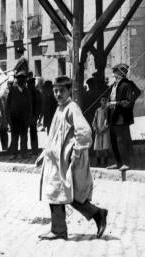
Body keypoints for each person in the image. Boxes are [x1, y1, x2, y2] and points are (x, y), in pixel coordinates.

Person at [36, 76, 108, 240]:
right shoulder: (60, 108)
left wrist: (75, 153)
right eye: (55, 91)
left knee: (64, 193)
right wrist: (44, 153)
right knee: (61, 194)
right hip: (54, 160)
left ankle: (63, 228)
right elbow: (53, 135)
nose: (58, 94)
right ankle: (94, 215)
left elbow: (84, 132)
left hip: (65, 160)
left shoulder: (72, 107)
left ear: (69, 91)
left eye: (61, 90)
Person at [107, 64, 141, 171]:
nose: (114, 75)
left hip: (122, 117)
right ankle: (118, 162)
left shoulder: (127, 85)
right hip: (112, 116)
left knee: (122, 140)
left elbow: (128, 101)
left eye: (116, 73)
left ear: (121, 73)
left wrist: (117, 103)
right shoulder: (113, 86)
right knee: (113, 140)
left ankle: (126, 163)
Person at [6, 70, 32, 158]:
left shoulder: (27, 92)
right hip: (14, 120)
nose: (21, 81)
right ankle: (14, 153)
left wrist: (29, 118)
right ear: (17, 81)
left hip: (24, 120)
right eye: (19, 79)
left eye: (23, 80)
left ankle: (23, 153)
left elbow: (29, 106)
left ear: (25, 81)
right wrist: (9, 119)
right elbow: (7, 106)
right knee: (14, 138)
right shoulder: (12, 91)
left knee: (24, 137)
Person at [92, 96, 111, 167]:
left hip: (105, 131)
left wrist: (103, 129)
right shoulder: (98, 110)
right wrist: (96, 129)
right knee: (97, 147)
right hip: (98, 131)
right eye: (102, 100)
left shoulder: (107, 110)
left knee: (105, 147)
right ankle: (98, 161)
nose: (104, 102)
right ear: (100, 102)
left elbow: (107, 121)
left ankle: (105, 162)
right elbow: (94, 121)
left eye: (105, 101)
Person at [27, 73, 42, 155]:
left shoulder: (37, 93)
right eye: (29, 84)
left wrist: (37, 115)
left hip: (33, 115)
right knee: (26, 133)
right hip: (27, 116)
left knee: (33, 132)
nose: (30, 85)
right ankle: (29, 149)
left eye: (31, 84)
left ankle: (34, 149)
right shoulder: (26, 93)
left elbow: (39, 105)